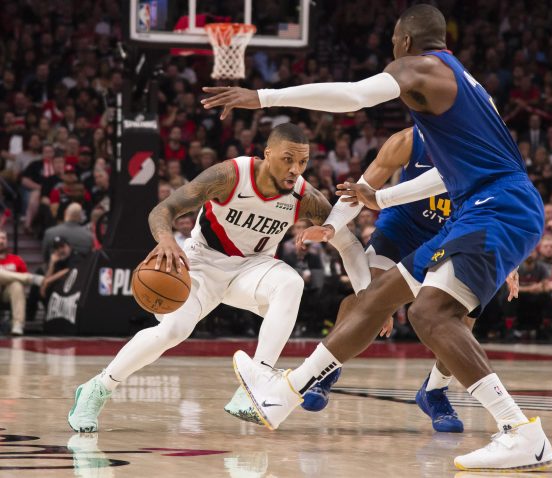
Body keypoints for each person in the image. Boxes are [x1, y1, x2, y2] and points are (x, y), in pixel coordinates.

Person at [201, 5, 552, 471]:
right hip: (482, 203)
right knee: (377, 298)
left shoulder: (419, 67)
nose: (391, 48)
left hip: (498, 205)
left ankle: (520, 432)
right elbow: (451, 175)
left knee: (431, 313)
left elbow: (353, 96)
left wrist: (263, 97)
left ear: (406, 41)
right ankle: (283, 395)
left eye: (393, 39)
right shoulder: (459, 84)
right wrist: (381, 199)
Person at [67, 123, 370, 433]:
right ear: (267, 155)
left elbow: (348, 243)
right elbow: (164, 209)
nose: (295, 169)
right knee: (173, 330)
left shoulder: (304, 197)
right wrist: (167, 239)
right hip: (202, 263)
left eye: (302, 162)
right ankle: (98, 388)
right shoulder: (230, 175)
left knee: (291, 282)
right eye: (287, 159)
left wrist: (367, 294)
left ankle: (256, 382)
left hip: (252, 268)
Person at [300, 126, 474, 434]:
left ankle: (434, 391)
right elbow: (361, 190)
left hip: (451, 234)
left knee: (463, 316)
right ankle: (328, 367)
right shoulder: (407, 141)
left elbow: (495, 202)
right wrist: (330, 227)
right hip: (401, 228)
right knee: (368, 300)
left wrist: (507, 264)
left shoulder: (479, 144)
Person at [0, 230, 44, 336]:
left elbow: (23, 286)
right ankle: (31, 278)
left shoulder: (16, 260)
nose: (1, 241)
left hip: (8, 293)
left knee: (17, 285)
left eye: (3, 238)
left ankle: (18, 325)